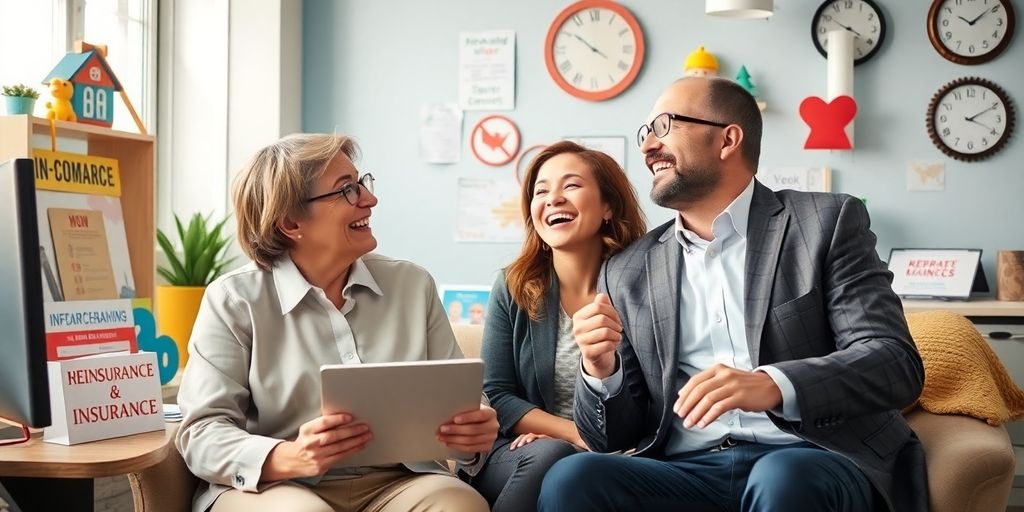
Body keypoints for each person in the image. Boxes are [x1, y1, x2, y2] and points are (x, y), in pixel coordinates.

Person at [539, 78, 927, 512]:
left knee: (781, 477)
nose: (648, 147)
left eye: (664, 126)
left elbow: (894, 362)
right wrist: (599, 367)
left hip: (810, 456)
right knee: (574, 477)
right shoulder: (628, 269)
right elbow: (611, 437)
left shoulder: (825, 222)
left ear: (728, 139)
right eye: (645, 133)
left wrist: (773, 384)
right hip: (689, 470)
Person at [175, 133, 496, 512]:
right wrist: (289, 455)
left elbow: (460, 392)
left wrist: (474, 426)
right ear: (291, 222)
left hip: (399, 482)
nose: (370, 199)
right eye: (347, 191)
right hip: (277, 486)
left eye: (362, 184)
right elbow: (201, 432)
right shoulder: (233, 300)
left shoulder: (413, 284)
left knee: (460, 505)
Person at [473, 141, 647, 512]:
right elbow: (496, 393)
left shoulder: (645, 285)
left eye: (570, 185)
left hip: (618, 451)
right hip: (523, 451)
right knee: (554, 456)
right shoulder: (512, 286)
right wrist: (570, 435)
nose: (553, 198)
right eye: (541, 191)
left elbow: (653, 397)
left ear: (608, 207)